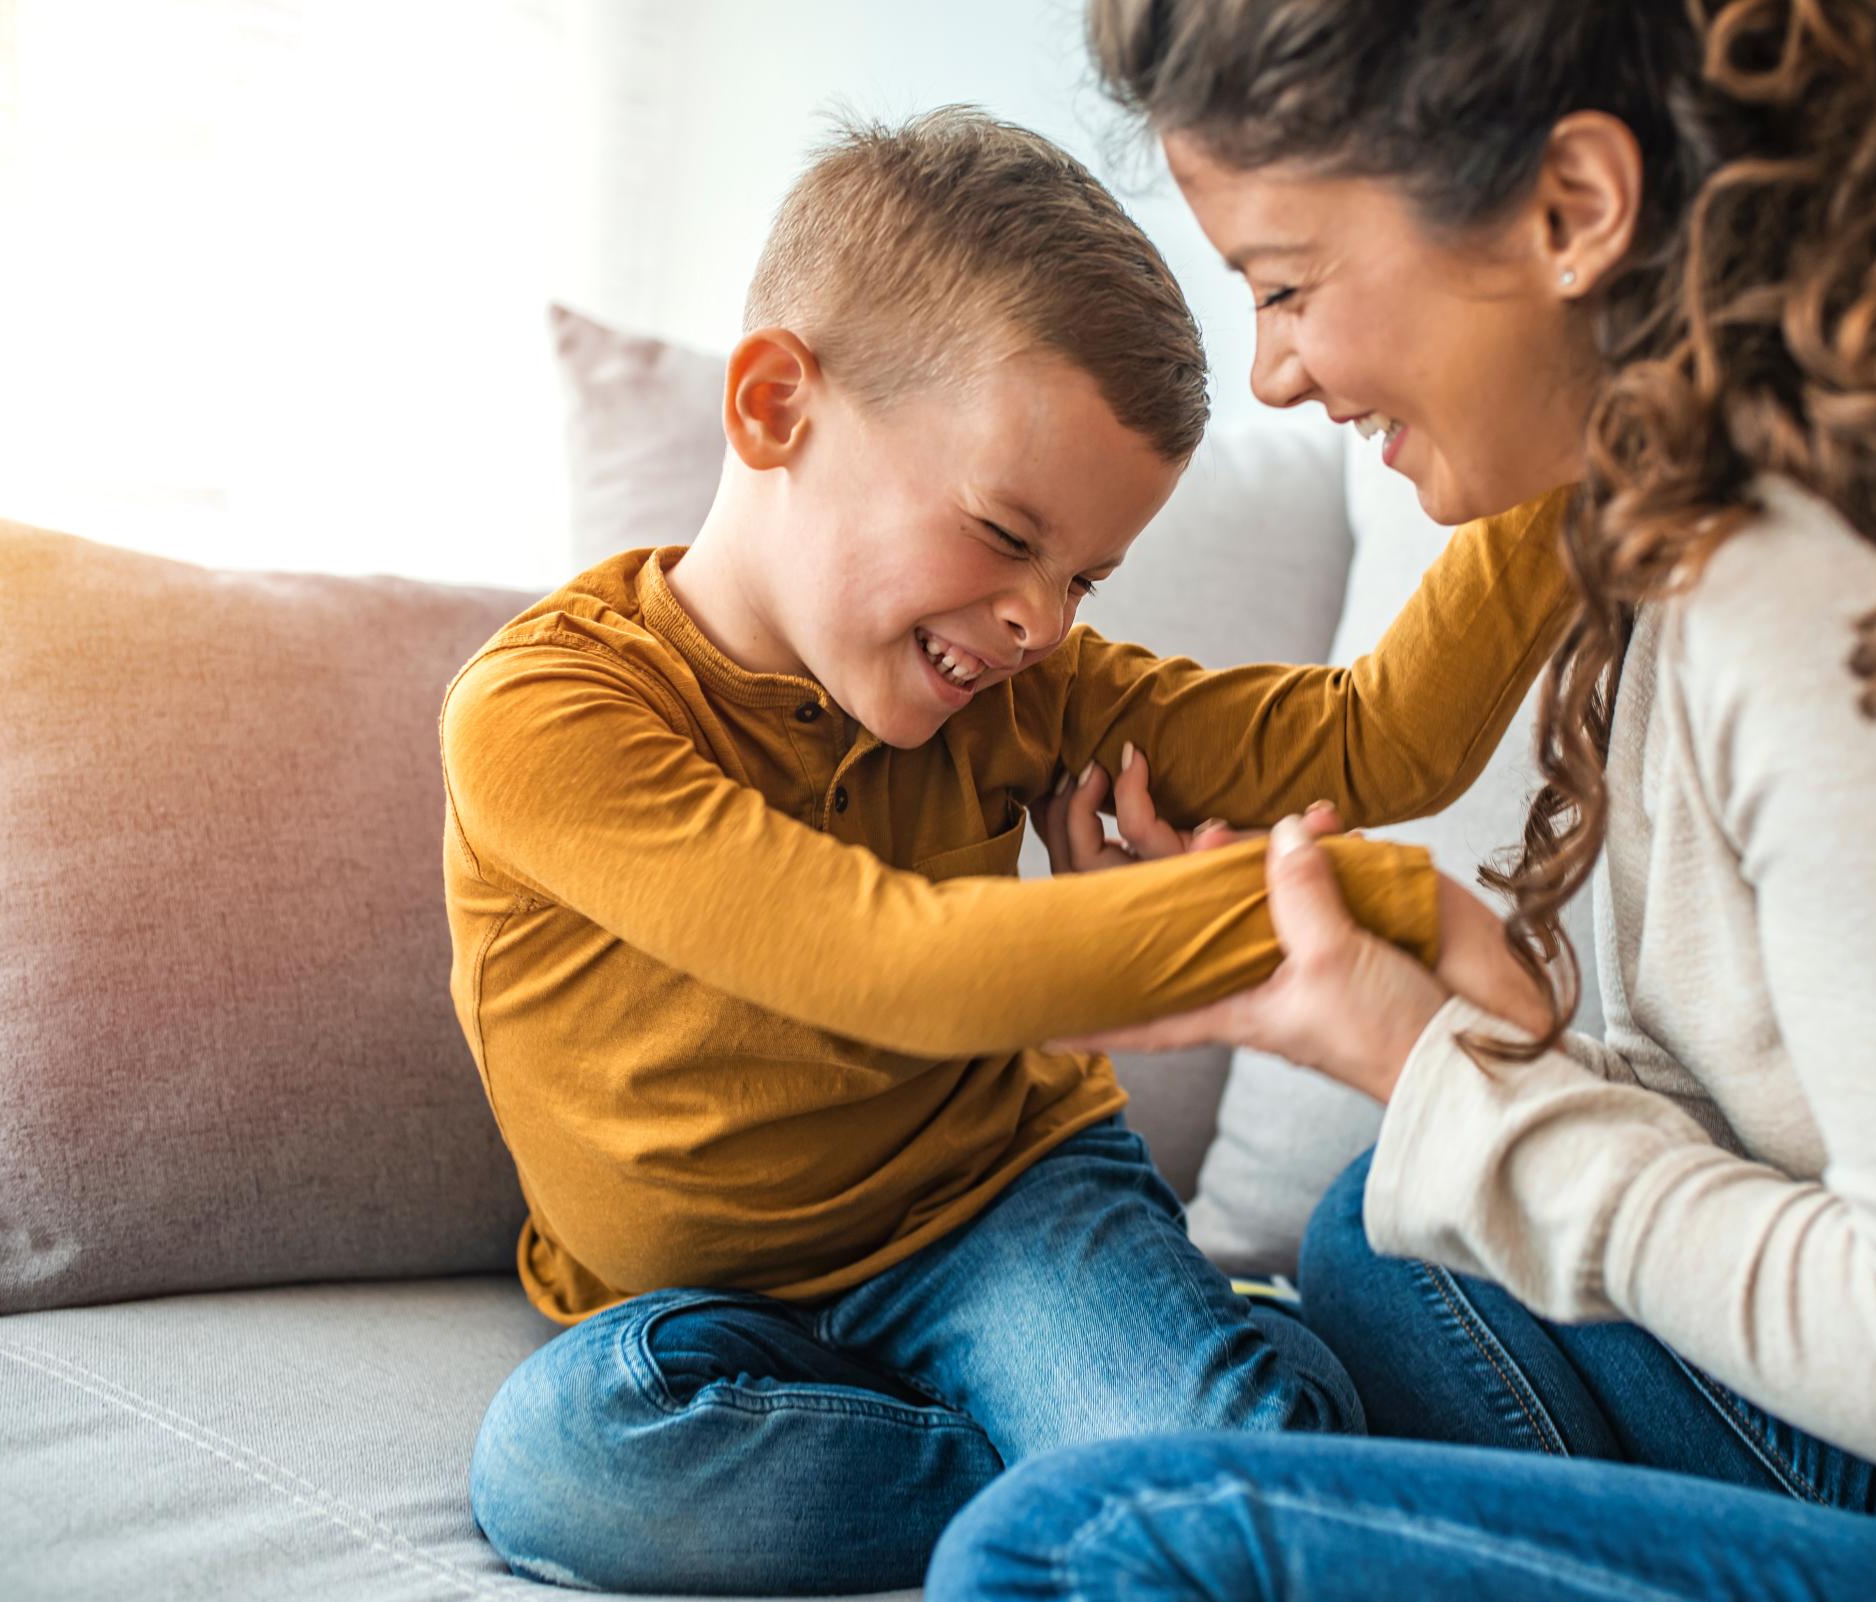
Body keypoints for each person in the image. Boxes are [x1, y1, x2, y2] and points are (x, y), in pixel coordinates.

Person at [926, 2, 1876, 1600]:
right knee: (1382, 1250)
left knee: (1083, 1551)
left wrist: (1416, 1057)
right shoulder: (1733, 498)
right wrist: (1393, 1006)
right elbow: (1785, 1139)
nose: (1276, 368)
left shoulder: (1849, 581)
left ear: (1575, 211)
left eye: (1287, 283)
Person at [439, 106, 1570, 1595]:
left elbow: (1380, 742)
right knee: (570, 1465)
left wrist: (1577, 433)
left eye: (1083, 573)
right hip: (687, 1306)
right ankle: (1181, 1441)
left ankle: (1162, 1431)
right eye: (1003, 531)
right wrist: (1348, 906)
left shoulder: (1025, 693)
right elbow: (878, 959)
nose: (1045, 617)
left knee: (1167, 1431)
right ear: (776, 407)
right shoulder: (549, 713)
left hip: (999, 1208)